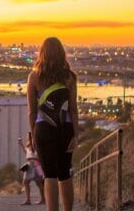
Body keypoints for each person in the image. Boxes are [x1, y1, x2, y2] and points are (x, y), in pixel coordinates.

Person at [26, 37, 79, 211]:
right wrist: (75, 134)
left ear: (42, 54)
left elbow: (32, 112)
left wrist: (33, 135)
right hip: (65, 129)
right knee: (65, 172)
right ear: (61, 53)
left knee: (49, 175)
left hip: (43, 129)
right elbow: (73, 109)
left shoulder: (34, 77)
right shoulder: (70, 77)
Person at [19, 135, 45, 205]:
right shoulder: (28, 146)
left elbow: (37, 155)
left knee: (35, 182)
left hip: (35, 164)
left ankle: (41, 199)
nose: (28, 137)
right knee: (29, 182)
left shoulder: (36, 145)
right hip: (31, 164)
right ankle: (31, 200)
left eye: (29, 137)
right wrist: (21, 145)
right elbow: (27, 153)